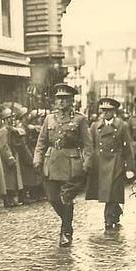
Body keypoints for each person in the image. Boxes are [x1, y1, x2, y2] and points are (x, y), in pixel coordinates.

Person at [33, 83, 92, 247]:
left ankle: (65, 231)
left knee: (66, 198)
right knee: (53, 198)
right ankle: (67, 223)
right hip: (51, 163)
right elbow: (41, 142)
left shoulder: (80, 119)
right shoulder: (49, 119)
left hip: (71, 163)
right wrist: (37, 159)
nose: (60, 102)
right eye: (58, 99)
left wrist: (87, 162)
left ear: (71, 100)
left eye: (64, 99)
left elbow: (87, 145)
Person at [85, 97, 135, 230]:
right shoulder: (95, 126)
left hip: (116, 161)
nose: (106, 113)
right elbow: (90, 145)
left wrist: (130, 167)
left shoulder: (122, 126)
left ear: (114, 111)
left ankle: (108, 219)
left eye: (109, 111)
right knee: (108, 192)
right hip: (100, 162)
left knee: (112, 191)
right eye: (103, 110)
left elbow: (128, 147)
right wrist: (89, 162)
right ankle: (116, 211)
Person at [0, 107, 24, 207]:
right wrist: (9, 157)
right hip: (7, 158)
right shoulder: (4, 130)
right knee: (8, 179)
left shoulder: (11, 129)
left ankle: (12, 199)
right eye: (9, 117)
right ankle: (7, 200)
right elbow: (3, 145)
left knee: (13, 179)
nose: (12, 119)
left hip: (13, 153)